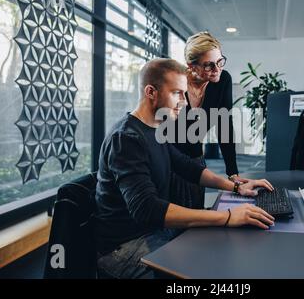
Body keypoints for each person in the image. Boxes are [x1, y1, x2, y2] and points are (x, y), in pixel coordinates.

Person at [94, 58, 275, 279]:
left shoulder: (155, 128)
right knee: (209, 267)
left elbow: (188, 168)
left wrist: (237, 186)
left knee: (221, 245)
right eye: (177, 93)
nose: (184, 101)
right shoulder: (126, 138)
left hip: (155, 231)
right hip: (125, 246)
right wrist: (227, 216)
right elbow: (147, 208)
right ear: (151, 92)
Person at [170, 31, 248, 210]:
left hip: (196, 159)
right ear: (192, 66)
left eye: (220, 61)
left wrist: (232, 173)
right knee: (171, 222)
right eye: (208, 65)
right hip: (168, 162)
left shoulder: (222, 81)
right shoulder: (176, 84)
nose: (217, 69)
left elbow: (224, 125)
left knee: (196, 213)